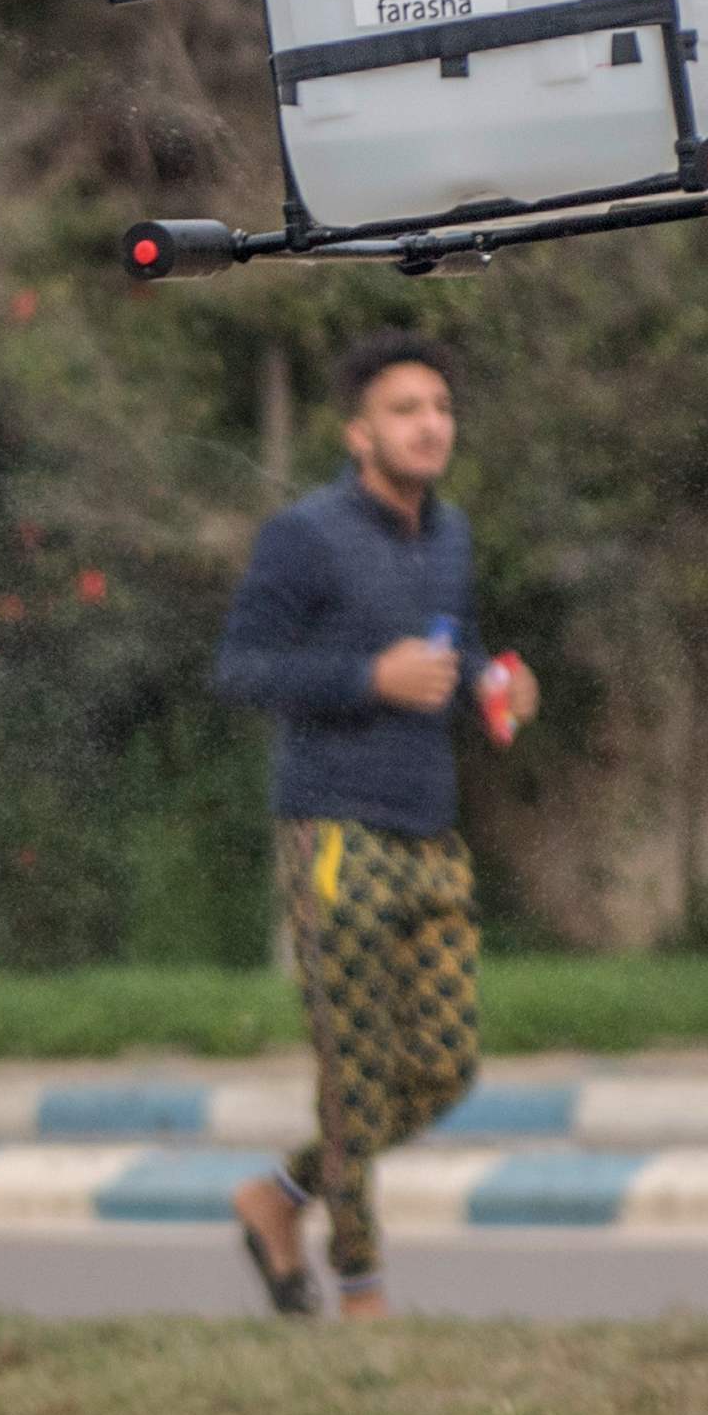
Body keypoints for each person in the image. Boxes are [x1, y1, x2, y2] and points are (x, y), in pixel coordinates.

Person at [215, 329, 540, 1319]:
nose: (430, 425)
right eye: (406, 410)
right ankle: (363, 1294)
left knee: (442, 1067)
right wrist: (368, 678)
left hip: (428, 827)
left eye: (440, 408)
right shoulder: (304, 536)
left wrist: (495, 686)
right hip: (333, 833)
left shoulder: (451, 535)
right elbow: (241, 668)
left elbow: (458, 650)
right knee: (354, 1073)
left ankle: (278, 1199)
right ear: (359, 434)